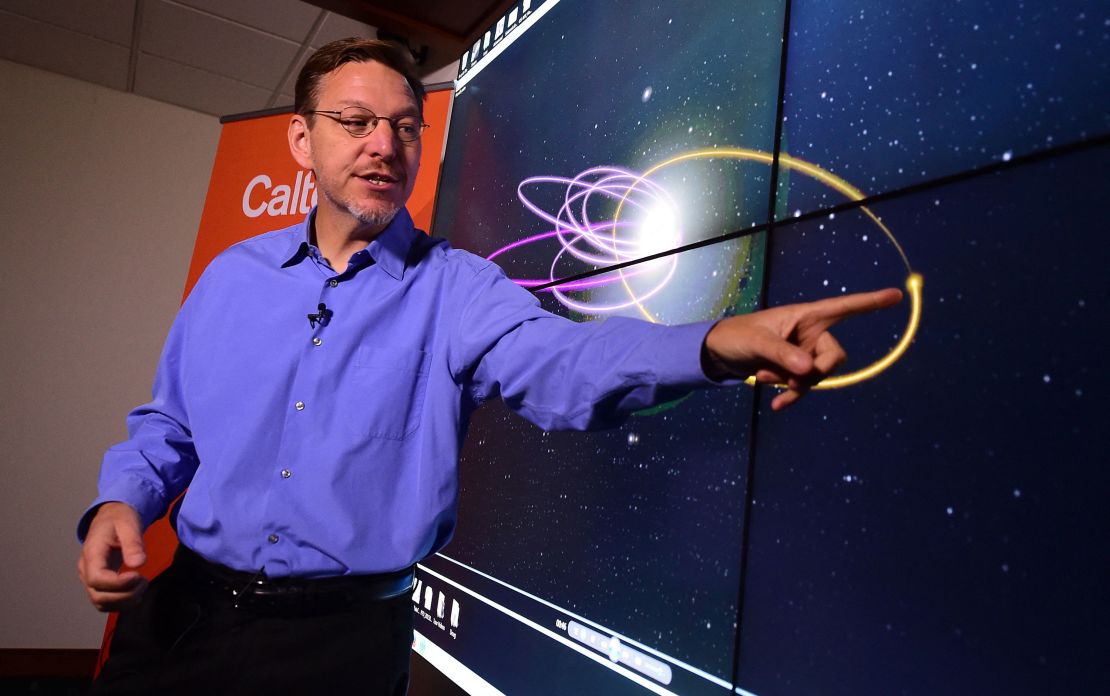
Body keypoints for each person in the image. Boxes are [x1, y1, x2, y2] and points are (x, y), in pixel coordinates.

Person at [77, 38, 901, 694]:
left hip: (334, 649)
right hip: (180, 617)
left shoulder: (460, 290)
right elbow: (170, 425)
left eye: (404, 127)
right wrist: (122, 500)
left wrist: (717, 341)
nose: (383, 146)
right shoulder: (231, 277)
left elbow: (569, 364)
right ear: (302, 138)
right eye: (355, 122)